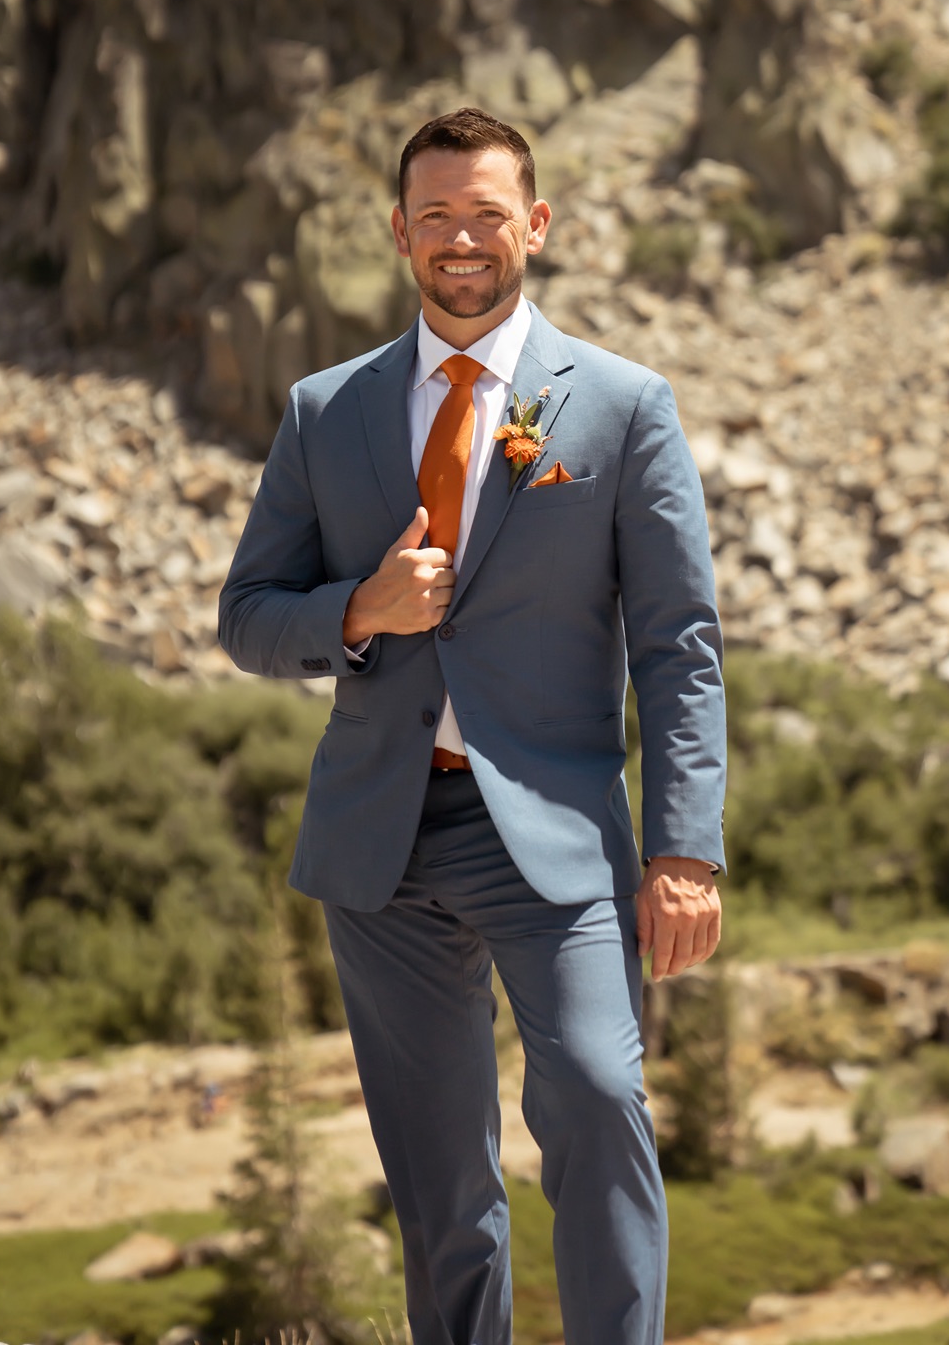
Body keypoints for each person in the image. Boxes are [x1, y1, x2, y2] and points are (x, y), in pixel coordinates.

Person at [219, 108, 726, 1345]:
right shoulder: (321, 410)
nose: (461, 239)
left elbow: (678, 647)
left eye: (486, 214)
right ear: (398, 232)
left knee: (601, 1102)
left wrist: (683, 849)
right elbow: (247, 617)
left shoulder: (620, 405)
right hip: (377, 844)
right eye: (434, 215)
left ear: (534, 226)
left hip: (554, 832)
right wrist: (362, 607)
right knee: (442, 1184)